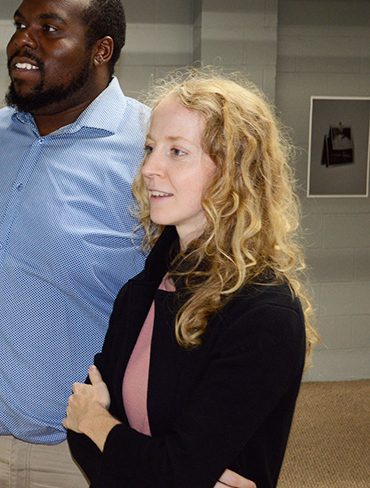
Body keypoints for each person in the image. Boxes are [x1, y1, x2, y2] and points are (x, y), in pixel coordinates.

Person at [0, 0, 150, 487]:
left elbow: (186, 304)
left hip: (80, 458)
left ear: (101, 50)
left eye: (49, 28)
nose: (22, 41)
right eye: (20, 25)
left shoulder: (148, 150)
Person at [63, 68, 320, 488]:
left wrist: (100, 424)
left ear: (234, 173)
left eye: (177, 152)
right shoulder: (141, 291)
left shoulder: (266, 316)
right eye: (150, 148)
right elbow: (80, 434)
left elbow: (169, 467)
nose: (149, 168)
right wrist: (99, 431)